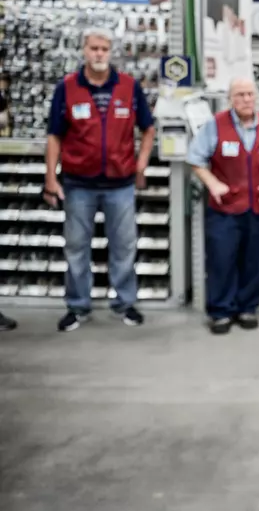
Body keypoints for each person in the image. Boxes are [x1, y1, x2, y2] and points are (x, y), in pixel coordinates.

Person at [45, 26, 155, 333]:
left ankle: (125, 302)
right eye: (94, 48)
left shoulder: (129, 87)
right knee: (76, 247)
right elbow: (54, 135)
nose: (99, 54)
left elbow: (148, 128)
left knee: (124, 246)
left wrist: (141, 164)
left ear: (111, 52)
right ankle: (78, 306)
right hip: (78, 184)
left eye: (104, 49)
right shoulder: (67, 88)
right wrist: (50, 178)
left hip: (120, 184)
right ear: (84, 50)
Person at [187, 77, 259, 335]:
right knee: (221, 259)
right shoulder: (216, 125)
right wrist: (212, 183)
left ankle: (248, 308)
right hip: (224, 210)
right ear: (230, 99)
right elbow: (195, 159)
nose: (246, 99)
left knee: (255, 261)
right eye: (240, 95)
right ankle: (221, 311)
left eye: (250, 94)